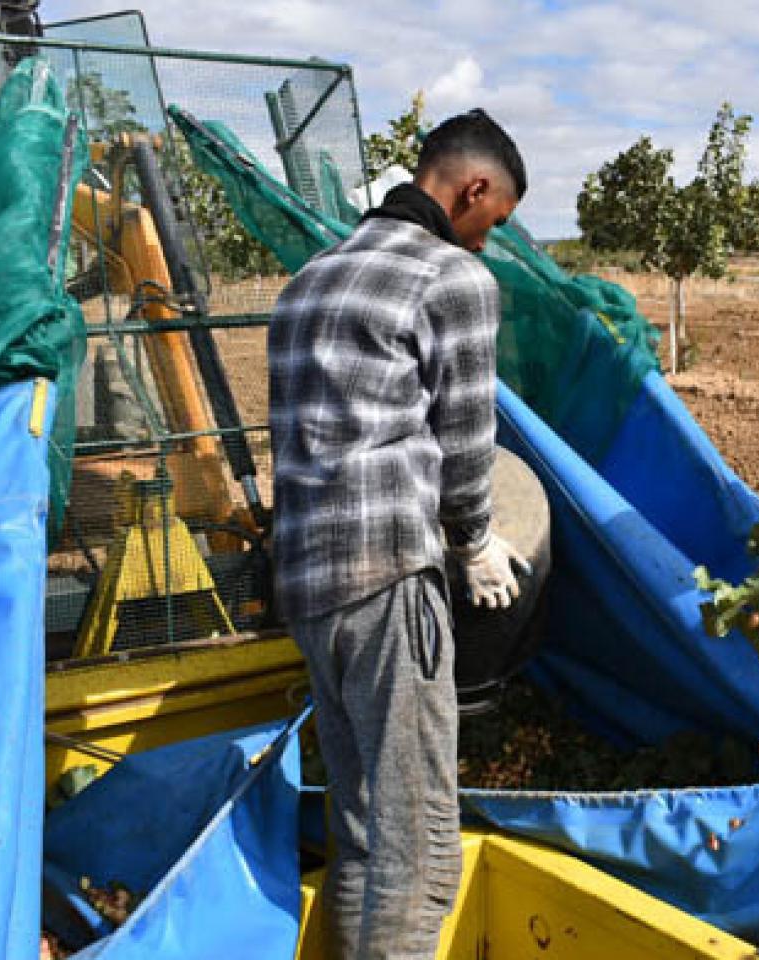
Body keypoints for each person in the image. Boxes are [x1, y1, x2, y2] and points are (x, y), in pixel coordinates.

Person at [269, 108, 528, 959]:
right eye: (493, 224)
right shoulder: (451, 279)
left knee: (364, 828)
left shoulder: (311, 278)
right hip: (387, 578)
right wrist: (477, 541)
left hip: (308, 585)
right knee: (420, 849)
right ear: (474, 188)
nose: (488, 243)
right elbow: (464, 438)